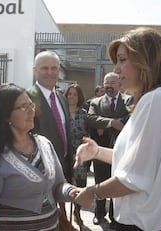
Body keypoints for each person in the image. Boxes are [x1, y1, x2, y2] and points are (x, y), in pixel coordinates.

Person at [74, 27, 161, 231]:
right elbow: (139, 160)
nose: (116, 69)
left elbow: (134, 179)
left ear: (145, 61)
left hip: (148, 224)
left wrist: (93, 192)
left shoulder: (156, 100)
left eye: (122, 59)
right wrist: (97, 152)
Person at [0, 84, 78, 231]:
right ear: (6, 115)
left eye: (31, 105)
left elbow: (58, 185)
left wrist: (71, 192)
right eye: (23, 107)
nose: (31, 111)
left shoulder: (44, 144)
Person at [87, 72, 131, 228]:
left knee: (117, 182)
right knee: (100, 181)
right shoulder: (96, 103)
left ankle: (114, 215)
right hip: (101, 150)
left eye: (113, 82)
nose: (109, 86)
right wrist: (111, 122)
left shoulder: (129, 101)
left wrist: (121, 122)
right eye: (107, 83)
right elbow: (91, 118)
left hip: (123, 151)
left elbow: (132, 116)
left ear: (120, 84)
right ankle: (99, 214)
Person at [28, 50, 73, 182]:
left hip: (62, 171)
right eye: (44, 68)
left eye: (54, 68)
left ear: (59, 70)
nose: (50, 72)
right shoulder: (27, 99)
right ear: (35, 70)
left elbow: (65, 135)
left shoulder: (62, 99)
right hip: (39, 173)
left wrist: (70, 173)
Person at [64, 83, 89, 228]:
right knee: (64, 185)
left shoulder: (83, 113)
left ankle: (77, 214)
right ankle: (62, 218)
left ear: (79, 97)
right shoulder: (61, 112)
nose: (72, 97)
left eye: (75, 94)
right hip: (64, 153)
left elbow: (87, 134)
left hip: (80, 155)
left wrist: (80, 152)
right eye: (69, 94)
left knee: (79, 186)